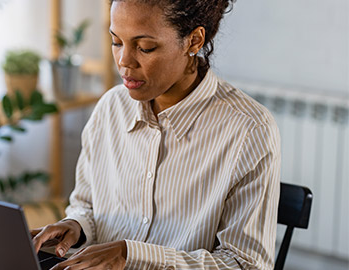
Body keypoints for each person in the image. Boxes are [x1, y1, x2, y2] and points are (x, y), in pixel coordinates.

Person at [32, 0, 281, 269]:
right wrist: (76, 226)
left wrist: (132, 255)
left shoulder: (248, 129)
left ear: (194, 41)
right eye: (116, 42)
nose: (124, 61)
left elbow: (245, 264)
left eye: (145, 47)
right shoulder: (110, 109)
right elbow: (86, 205)